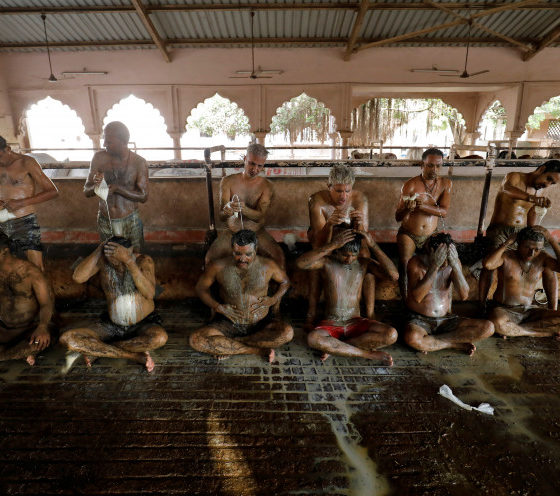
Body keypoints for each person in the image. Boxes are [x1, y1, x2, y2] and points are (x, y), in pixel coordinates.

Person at [59, 237, 167, 372]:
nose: (117, 262)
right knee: (68, 338)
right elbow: (78, 277)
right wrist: (99, 249)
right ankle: (133, 355)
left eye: (121, 256)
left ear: (130, 252)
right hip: (112, 325)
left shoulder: (143, 260)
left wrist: (129, 262)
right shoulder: (103, 261)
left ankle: (100, 349)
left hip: (143, 323)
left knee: (159, 338)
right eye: (114, 258)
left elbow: (150, 293)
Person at [296, 225, 398, 364]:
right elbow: (300, 263)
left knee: (391, 334)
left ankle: (337, 348)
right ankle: (367, 354)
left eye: (354, 255)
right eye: (345, 255)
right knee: (312, 338)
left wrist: (373, 245)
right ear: (337, 250)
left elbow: (393, 276)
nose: (349, 259)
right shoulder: (327, 263)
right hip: (331, 323)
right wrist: (332, 244)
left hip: (355, 321)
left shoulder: (363, 263)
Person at [191, 229, 293, 362]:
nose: (242, 259)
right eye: (237, 253)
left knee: (287, 333)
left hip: (261, 325)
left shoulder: (269, 266)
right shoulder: (217, 266)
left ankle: (230, 345)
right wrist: (217, 307)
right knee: (196, 340)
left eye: (248, 254)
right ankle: (256, 350)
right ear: (232, 249)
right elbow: (200, 288)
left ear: (256, 250)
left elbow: (285, 282)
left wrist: (273, 299)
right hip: (228, 323)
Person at [479, 160, 560, 306]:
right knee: (491, 263)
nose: (547, 184)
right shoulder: (515, 177)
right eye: (548, 179)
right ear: (541, 169)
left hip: (522, 233)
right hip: (500, 230)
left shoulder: (540, 190)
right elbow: (506, 188)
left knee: (546, 263)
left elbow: (531, 213)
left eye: (552, 183)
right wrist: (532, 198)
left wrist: (533, 232)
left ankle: (552, 309)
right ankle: (482, 304)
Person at [307, 164, 375, 327]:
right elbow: (319, 242)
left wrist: (358, 224)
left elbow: (363, 238)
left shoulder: (360, 199)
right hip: (326, 240)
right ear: (329, 186)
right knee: (317, 261)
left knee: (365, 255)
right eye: (338, 191)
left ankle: (370, 313)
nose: (343, 196)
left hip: (350, 240)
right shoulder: (317, 201)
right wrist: (329, 225)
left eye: (347, 191)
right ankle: (311, 312)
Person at [404, 233, 494, 354]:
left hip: (446, 319)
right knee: (412, 338)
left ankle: (433, 343)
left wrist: (455, 265)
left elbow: (464, 295)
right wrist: (435, 266)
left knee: (488, 328)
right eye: (441, 258)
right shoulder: (415, 264)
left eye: (448, 259)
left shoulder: (452, 263)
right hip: (420, 320)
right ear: (430, 251)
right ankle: (452, 343)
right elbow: (418, 297)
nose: (445, 264)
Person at [205, 143, 285, 269]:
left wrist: (244, 209)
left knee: (279, 258)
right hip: (232, 232)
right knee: (209, 259)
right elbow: (221, 216)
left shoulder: (267, 186)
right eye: (252, 163)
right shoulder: (227, 181)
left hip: (257, 233)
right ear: (245, 159)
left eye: (260, 166)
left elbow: (260, 217)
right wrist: (227, 211)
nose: (255, 169)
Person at [483, 226, 560, 339]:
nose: (531, 253)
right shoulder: (507, 256)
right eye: (527, 247)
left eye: (537, 249)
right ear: (518, 243)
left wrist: (552, 240)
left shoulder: (542, 258)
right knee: (497, 322)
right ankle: (542, 332)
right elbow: (488, 264)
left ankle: (516, 330)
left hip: (530, 310)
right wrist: (506, 243)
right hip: (505, 310)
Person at [395, 148, 452, 299]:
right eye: (430, 165)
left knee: (445, 262)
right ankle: (405, 301)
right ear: (422, 165)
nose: (434, 170)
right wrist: (408, 209)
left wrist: (422, 206)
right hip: (408, 234)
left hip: (431, 234)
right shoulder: (410, 185)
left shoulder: (445, 184)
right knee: (405, 264)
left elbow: (444, 212)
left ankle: (442, 302)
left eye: (438, 166)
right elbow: (398, 217)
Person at [84, 122, 148, 252]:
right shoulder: (98, 158)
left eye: (109, 142)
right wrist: (97, 186)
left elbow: (143, 196)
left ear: (123, 142)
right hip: (105, 220)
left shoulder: (138, 162)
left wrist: (118, 189)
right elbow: (86, 191)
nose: (104, 144)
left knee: (135, 256)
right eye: (104, 140)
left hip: (130, 220)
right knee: (108, 257)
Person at [0, 135, 59, 270]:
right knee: (4, 267)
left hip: (24, 221)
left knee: (36, 266)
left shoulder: (27, 163)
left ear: (7, 149)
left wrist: (21, 203)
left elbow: (52, 191)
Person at [0, 233, 54, 365]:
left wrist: (42, 326)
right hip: (4, 330)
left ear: (4, 251)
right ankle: (14, 354)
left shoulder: (31, 272)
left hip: (29, 330)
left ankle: (10, 354)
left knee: (39, 342)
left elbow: (46, 304)